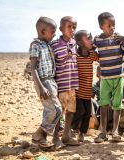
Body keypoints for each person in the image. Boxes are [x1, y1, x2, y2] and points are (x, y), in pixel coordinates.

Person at [30, 17, 63, 149]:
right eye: (52, 32)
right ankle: (39, 134)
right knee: (56, 109)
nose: (54, 34)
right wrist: (41, 86)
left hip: (51, 80)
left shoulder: (47, 44)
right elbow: (33, 68)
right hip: (43, 81)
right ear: (43, 31)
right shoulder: (35, 45)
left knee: (52, 110)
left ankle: (41, 137)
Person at [93, 12, 124, 143]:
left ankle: (115, 131)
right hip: (104, 78)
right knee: (104, 105)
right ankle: (103, 132)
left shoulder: (118, 39)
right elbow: (90, 50)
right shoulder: (98, 40)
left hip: (118, 77)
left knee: (117, 105)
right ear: (101, 27)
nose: (112, 28)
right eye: (109, 25)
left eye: (114, 25)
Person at [51, 16, 79, 146]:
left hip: (72, 84)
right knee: (59, 112)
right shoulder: (55, 45)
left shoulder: (75, 43)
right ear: (61, 28)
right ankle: (55, 138)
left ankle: (66, 135)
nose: (72, 30)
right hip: (61, 85)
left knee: (71, 110)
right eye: (69, 27)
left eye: (74, 27)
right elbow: (52, 64)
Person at [71, 30, 98, 142]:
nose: (91, 40)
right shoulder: (76, 56)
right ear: (80, 43)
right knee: (80, 111)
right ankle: (71, 129)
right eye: (88, 38)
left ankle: (82, 133)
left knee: (87, 113)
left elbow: (99, 58)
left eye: (91, 38)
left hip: (87, 91)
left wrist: (94, 46)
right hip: (78, 91)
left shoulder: (91, 55)